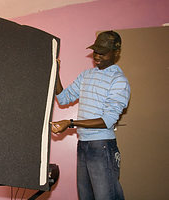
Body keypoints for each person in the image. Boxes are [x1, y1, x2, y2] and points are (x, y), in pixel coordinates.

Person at [51, 31, 130, 200]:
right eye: (95, 51)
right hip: (83, 146)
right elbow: (64, 98)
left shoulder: (119, 81)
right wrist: (55, 71)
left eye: (103, 52)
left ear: (116, 53)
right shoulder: (87, 75)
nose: (97, 56)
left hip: (102, 147)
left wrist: (70, 123)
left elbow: (107, 121)